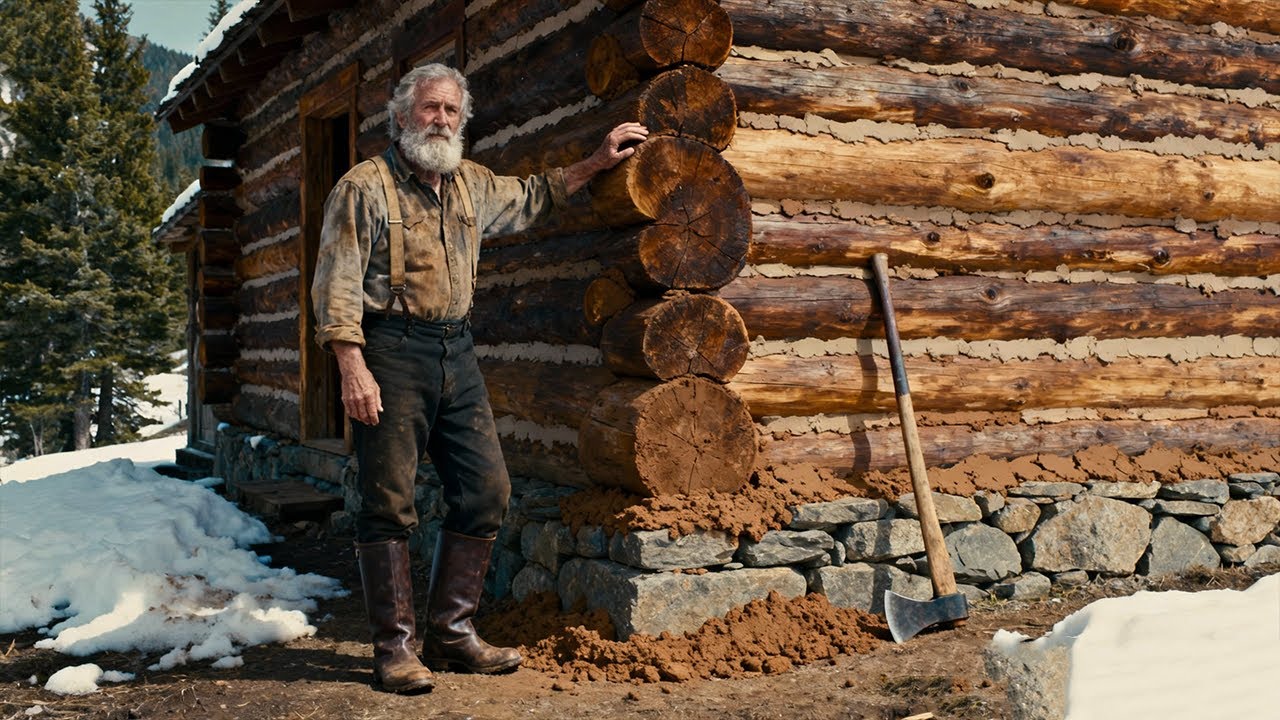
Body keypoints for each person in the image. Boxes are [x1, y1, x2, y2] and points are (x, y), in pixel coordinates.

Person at [311, 63, 647, 694]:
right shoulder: (364, 188)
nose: (440, 120)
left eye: (450, 112)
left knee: (486, 489)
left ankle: (451, 633)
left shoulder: (471, 184)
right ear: (402, 116)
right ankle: (395, 649)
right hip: (390, 351)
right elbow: (336, 284)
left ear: (462, 122)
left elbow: (536, 195)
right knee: (388, 500)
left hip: (455, 352)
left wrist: (598, 161)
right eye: (429, 108)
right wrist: (351, 365)